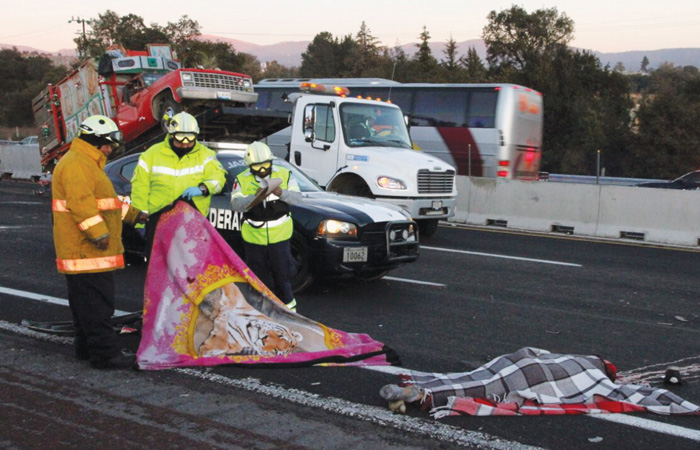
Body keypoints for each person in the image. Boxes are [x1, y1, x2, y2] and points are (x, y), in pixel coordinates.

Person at [51, 115, 148, 369]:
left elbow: (108, 204)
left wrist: (135, 215)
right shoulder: (77, 164)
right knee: (97, 306)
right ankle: (105, 355)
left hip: (83, 252)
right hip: (86, 252)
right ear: (96, 141)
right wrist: (99, 234)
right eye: (108, 144)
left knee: (84, 305)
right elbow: (81, 204)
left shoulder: (85, 163)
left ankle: (86, 348)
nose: (110, 149)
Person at [130, 111, 226, 257]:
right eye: (181, 138)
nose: (185, 143)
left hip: (192, 222)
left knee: (192, 265)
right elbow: (140, 189)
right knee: (159, 265)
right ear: (171, 135)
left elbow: (218, 178)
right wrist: (139, 219)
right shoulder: (151, 155)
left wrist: (204, 188)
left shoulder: (206, 155)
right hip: (158, 220)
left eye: (190, 138)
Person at [230, 142, 302, 312]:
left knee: (282, 276)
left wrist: (280, 193)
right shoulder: (241, 179)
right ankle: (259, 311)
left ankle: (289, 311)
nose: (262, 169)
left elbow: (297, 198)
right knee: (257, 278)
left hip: (280, 236)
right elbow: (235, 204)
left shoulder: (285, 174)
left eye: (265, 164)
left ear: (271, 161)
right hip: (254, 237)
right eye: (257, 166)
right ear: (250, 166)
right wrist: (254, 198)